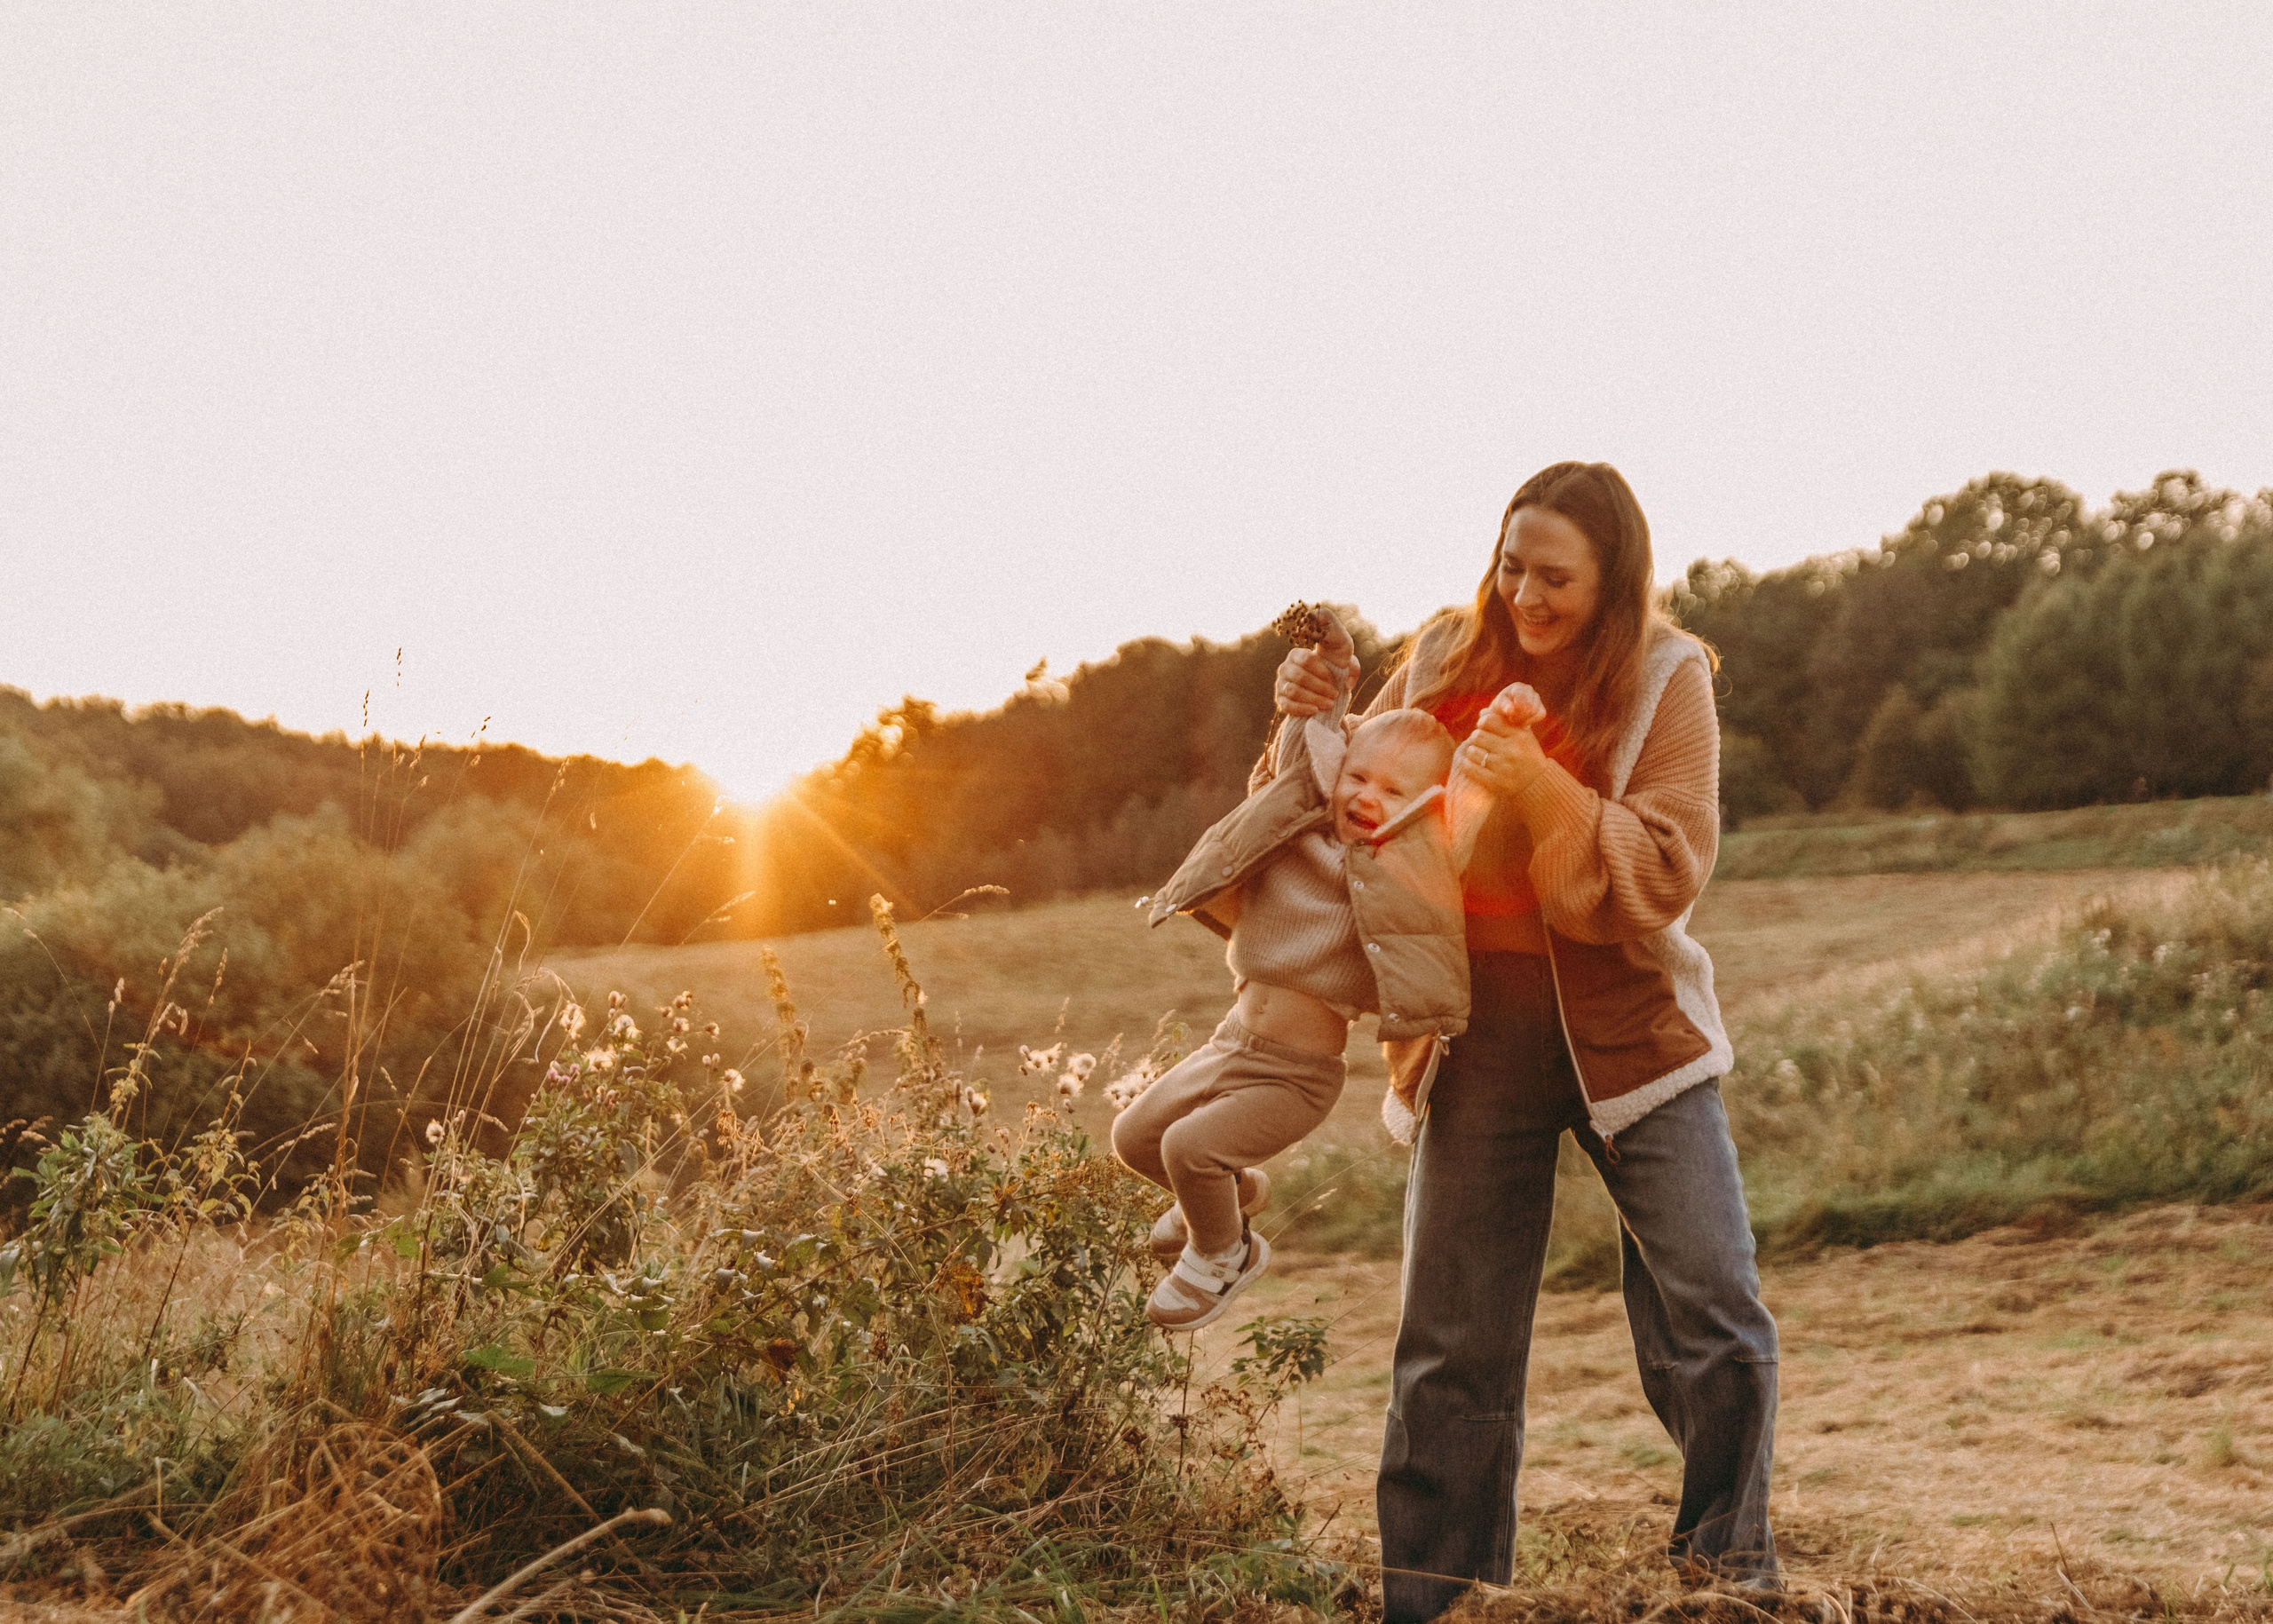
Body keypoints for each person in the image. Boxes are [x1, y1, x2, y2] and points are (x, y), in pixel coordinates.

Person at [1270, 462, 1779, 1618]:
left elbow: (1662, 868)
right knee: (1452, 1341)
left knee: (1715, 1304)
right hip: (1473, 1035)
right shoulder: (1448, 648)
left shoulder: (1668, 677)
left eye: (1556, 577)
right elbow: (1353, 803)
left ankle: (1729, 1572)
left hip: (1634, 1032)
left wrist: (1544, 786)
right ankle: (1431, 1598)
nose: (1526, 594)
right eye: (1512, 565)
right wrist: (1309, 714)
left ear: (1613, 583)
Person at [1117, 693, 1495, 1330]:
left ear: (1424, 811)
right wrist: (1324, 685)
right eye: (1359, 777)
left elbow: (1461, 817)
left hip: (1296, 1077)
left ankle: (1222, 1254)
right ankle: (1233, 1198)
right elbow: (1302, 750)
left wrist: (1499, 736)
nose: (1369, 797)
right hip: (1231, 1043)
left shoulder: (1399, 876)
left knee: (1189, 1146)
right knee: (1135, 1138)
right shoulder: (1300, 832)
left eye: (1395, 792)